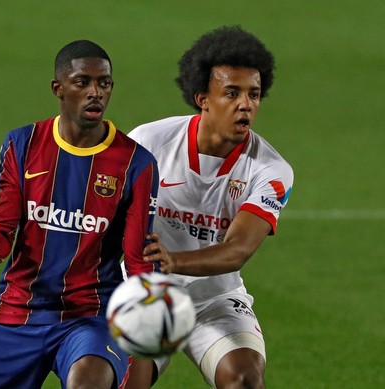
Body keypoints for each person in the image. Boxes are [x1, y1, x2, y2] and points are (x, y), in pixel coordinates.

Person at [0, 40, 159, 389]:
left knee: (89, 384)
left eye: (104, 83)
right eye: (83, 82)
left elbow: (138, 259)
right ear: (59, 88)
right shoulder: (22, 144)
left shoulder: (136, 163)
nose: (95, 92)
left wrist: (146, 321)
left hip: (91, 317)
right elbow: (3, 225)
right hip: (18, 311)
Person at [126, 26, 294, 389]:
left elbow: (238, 250)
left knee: (244, 380)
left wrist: (174, 260)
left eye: (254, 94)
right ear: (203, 97)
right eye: (231, 93)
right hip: (146, 292)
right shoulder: (148, 142)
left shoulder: (271, 170)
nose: (245, 104)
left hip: (214, 298)